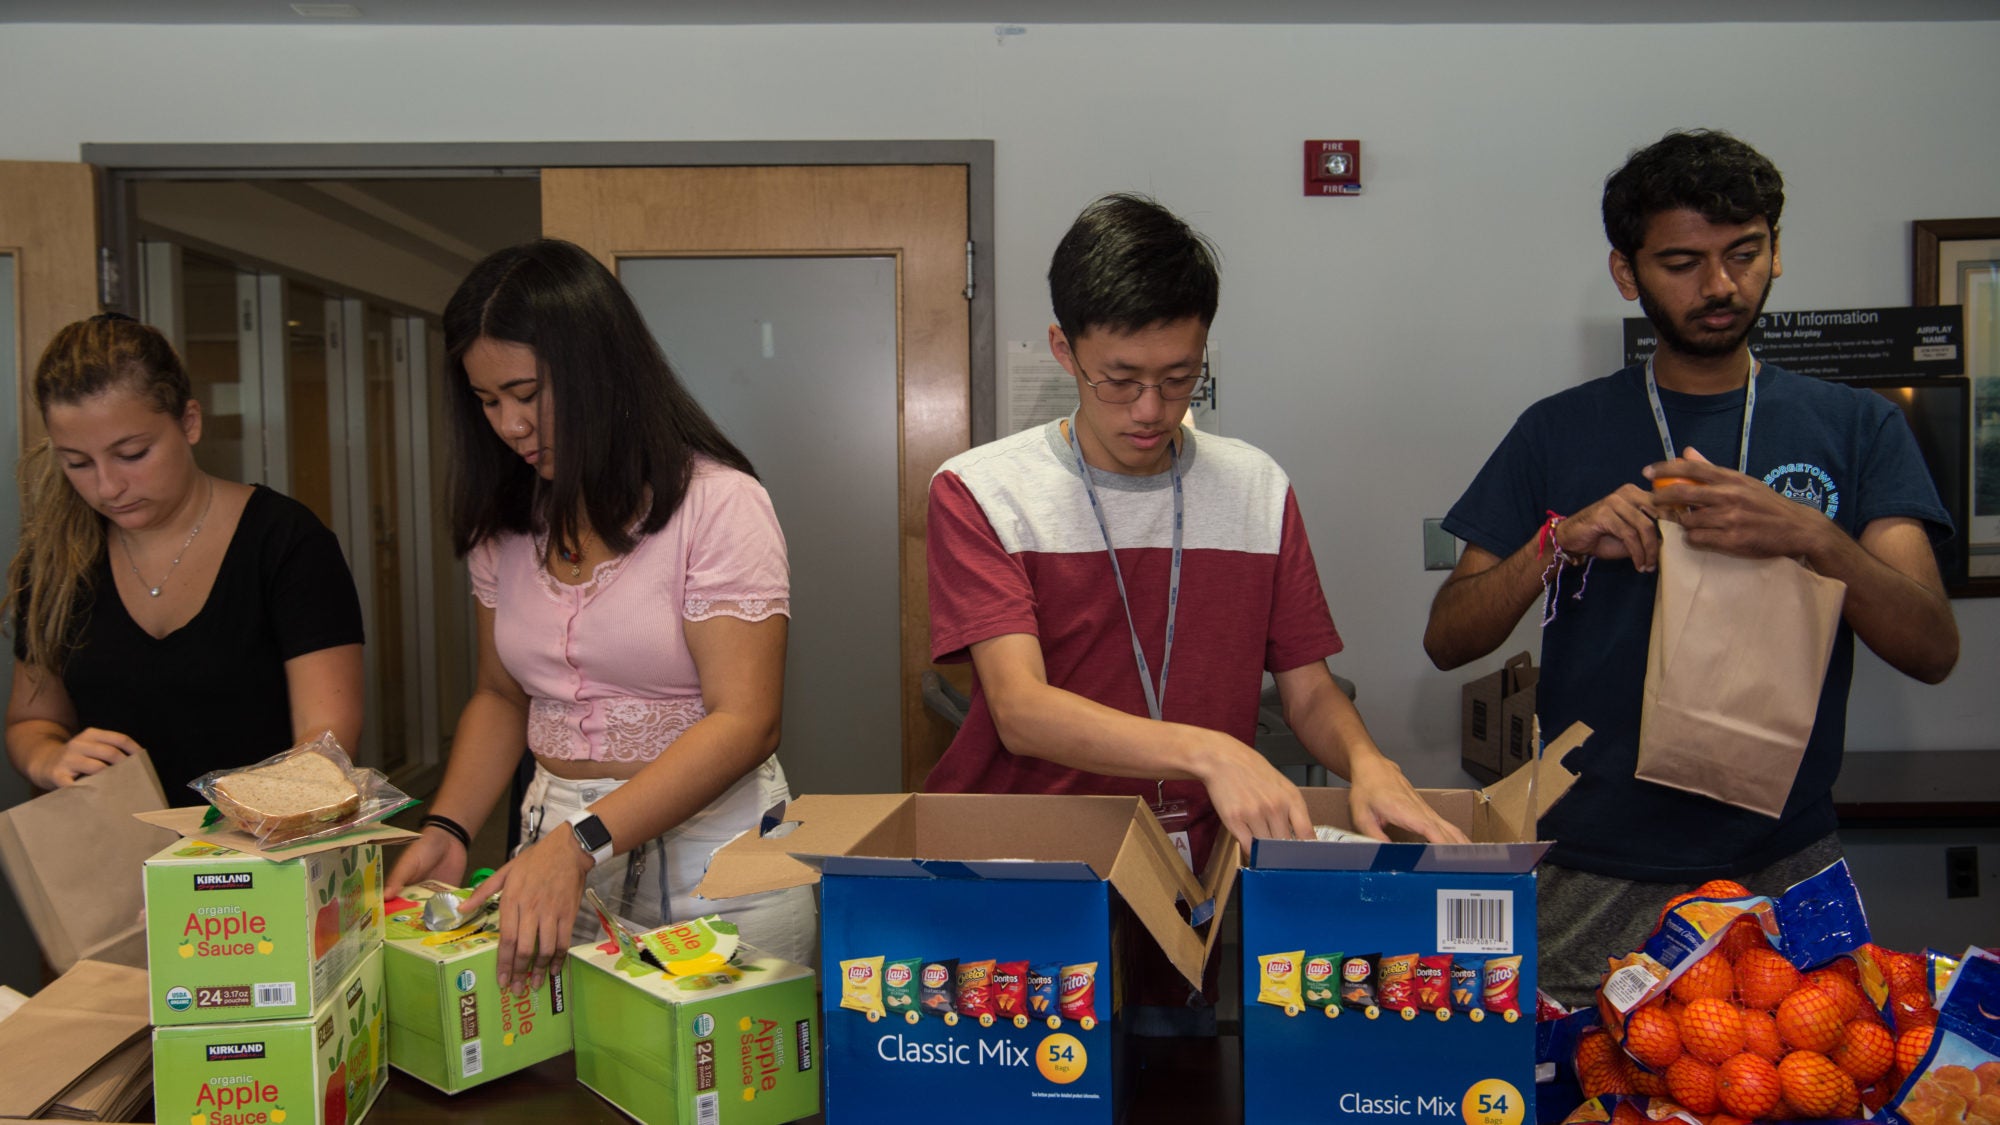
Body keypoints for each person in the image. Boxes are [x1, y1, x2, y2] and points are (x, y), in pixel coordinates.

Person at [1424, 130, 1959, 1006]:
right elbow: (1449, 636)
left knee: (1800, 1089)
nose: (1719, 285)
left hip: (1784, 857)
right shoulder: (1557, 430)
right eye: (1683, 261)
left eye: (1744, 254)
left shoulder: (1856, 426)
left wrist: (1811, 535)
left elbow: (1933, 646)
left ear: (1776, 253)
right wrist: (1557, 542)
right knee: (1581, 1093)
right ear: (1626, 273)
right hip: (1591, 862)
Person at [926, 194, 1465, 1026]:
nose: (1151, 410)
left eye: (1180, 378)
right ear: (1065, 350)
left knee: (1180, 1074)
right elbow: (1022, 710)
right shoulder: (985, 492)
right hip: (1024, 872)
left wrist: (1367, 762)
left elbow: (1311, 691)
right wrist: (1213, 750)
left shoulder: (1255, 487)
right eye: (1122, 380)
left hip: (1188, 877)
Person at [386, 239, 814, 992]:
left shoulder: (717, 503)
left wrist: (582, 842)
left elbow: (747, 719)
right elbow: (499, 692)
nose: (510, 425)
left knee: (718, 1089)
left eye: (527, 392)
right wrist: (450, 828)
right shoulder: (508, 521)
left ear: (598, 370)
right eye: (487, 402)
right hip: (555, 853)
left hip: (718, 856)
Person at [4, 314, 365, 800]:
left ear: (189, 422)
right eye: (78, 463)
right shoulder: (55, 562)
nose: (108, 487)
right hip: (109, 860)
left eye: (132, 454)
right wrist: (47, 757)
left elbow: (326, 741)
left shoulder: (285, 541)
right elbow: (33, 720)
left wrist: (235, 835)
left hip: (259, 855)